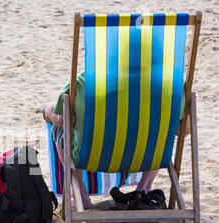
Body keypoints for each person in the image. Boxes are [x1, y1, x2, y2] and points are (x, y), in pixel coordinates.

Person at [42, 72, 189, 210]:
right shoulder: (174, 84)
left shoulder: (83, 82)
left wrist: (49, 108)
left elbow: (59, 118)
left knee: (61, 127)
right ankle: (144, 188)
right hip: (148, 157)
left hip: (96, 157)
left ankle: (82, 196)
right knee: (161, 132)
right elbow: (185, 130)